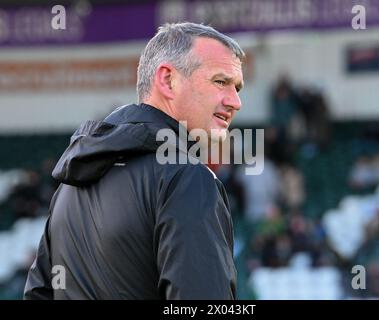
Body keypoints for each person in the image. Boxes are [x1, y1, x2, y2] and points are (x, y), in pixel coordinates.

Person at [24, 22, 245, 300]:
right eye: (221, 82)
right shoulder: (185, 177)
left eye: (237, 88)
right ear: (167, 80)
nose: (235, 102)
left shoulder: (68, 187)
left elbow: (37, 294)